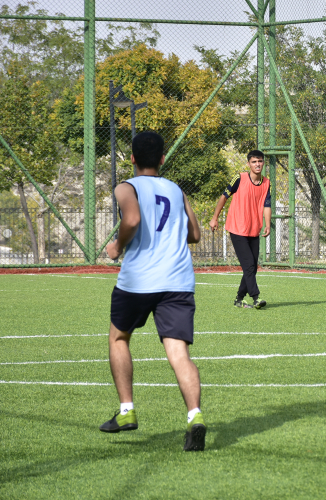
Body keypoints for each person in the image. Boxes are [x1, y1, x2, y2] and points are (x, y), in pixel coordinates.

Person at [101, 131, 206, 452]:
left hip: (139, 280)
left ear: (132, 158)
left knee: (119, 338)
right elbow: (195, 234)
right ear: (162, 158)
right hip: (177, 281)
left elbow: (132, 219)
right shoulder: (176, 190)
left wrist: (117, 246)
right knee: (179, 353)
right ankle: (195, 416)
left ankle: (127, 410)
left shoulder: (126, 187)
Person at [210, 150, 271, 309]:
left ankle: (239, 299)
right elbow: (224, 197)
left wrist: (267, 224)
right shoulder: (239, 178)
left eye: (260, 161)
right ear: (248, 164)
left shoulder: (266, 183)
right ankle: (256, 298)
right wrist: (215, 218)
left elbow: (267, 205)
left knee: (252, 267)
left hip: (254, 229)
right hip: (237, 228)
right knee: (249, 265)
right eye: (254, 162)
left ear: (263, 163)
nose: (257, 164)